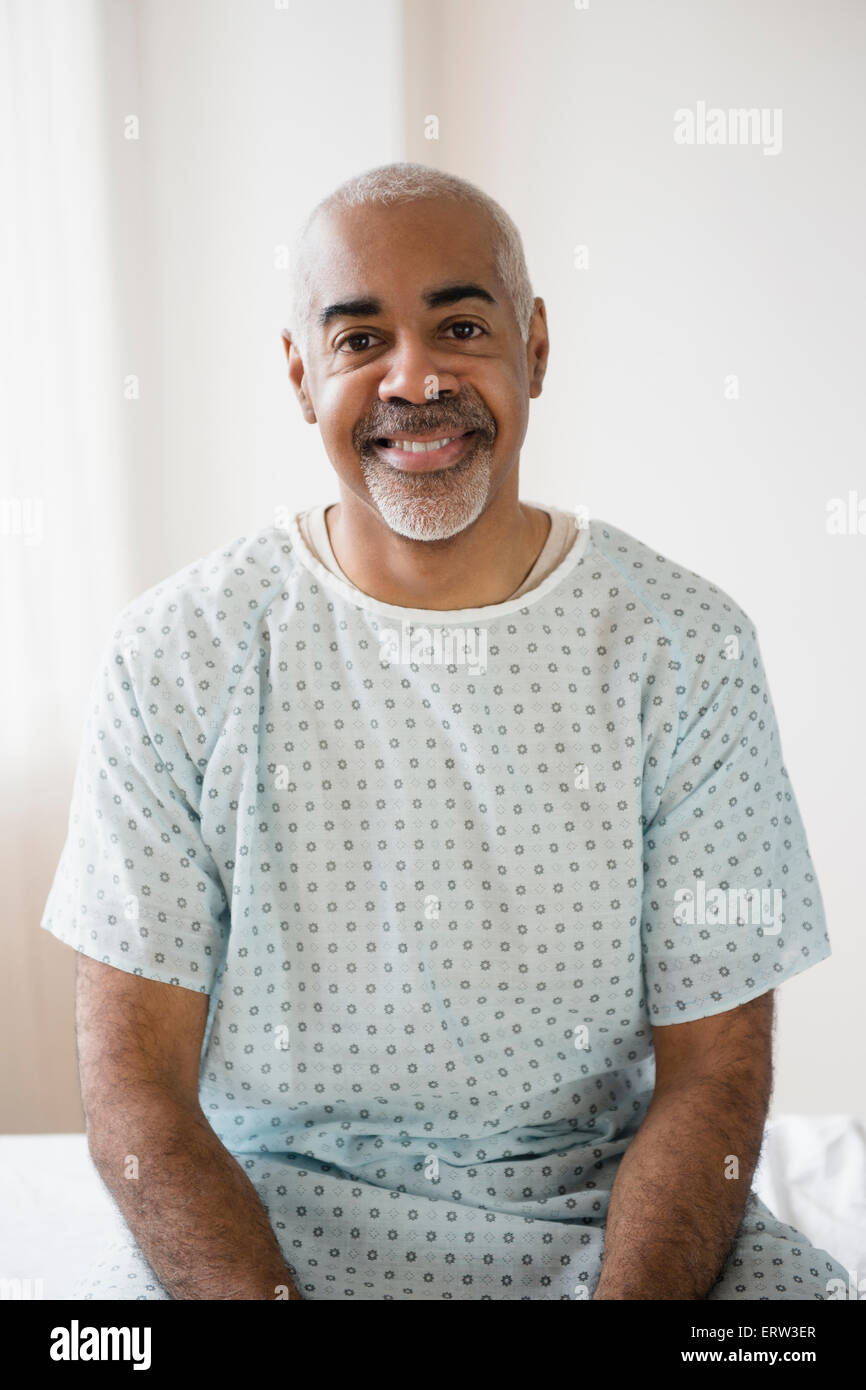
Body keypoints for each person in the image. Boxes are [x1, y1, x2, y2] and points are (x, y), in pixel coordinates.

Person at [41, 162, 846, 1300]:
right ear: (297, 372)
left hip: (611, 1218)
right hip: (261, 1221)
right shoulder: (175, 654)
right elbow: (136, 1094)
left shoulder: (683, 648)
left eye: (458, 325)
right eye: (359, 339)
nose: (412, 378)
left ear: (535, 346)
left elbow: (713, 1075)